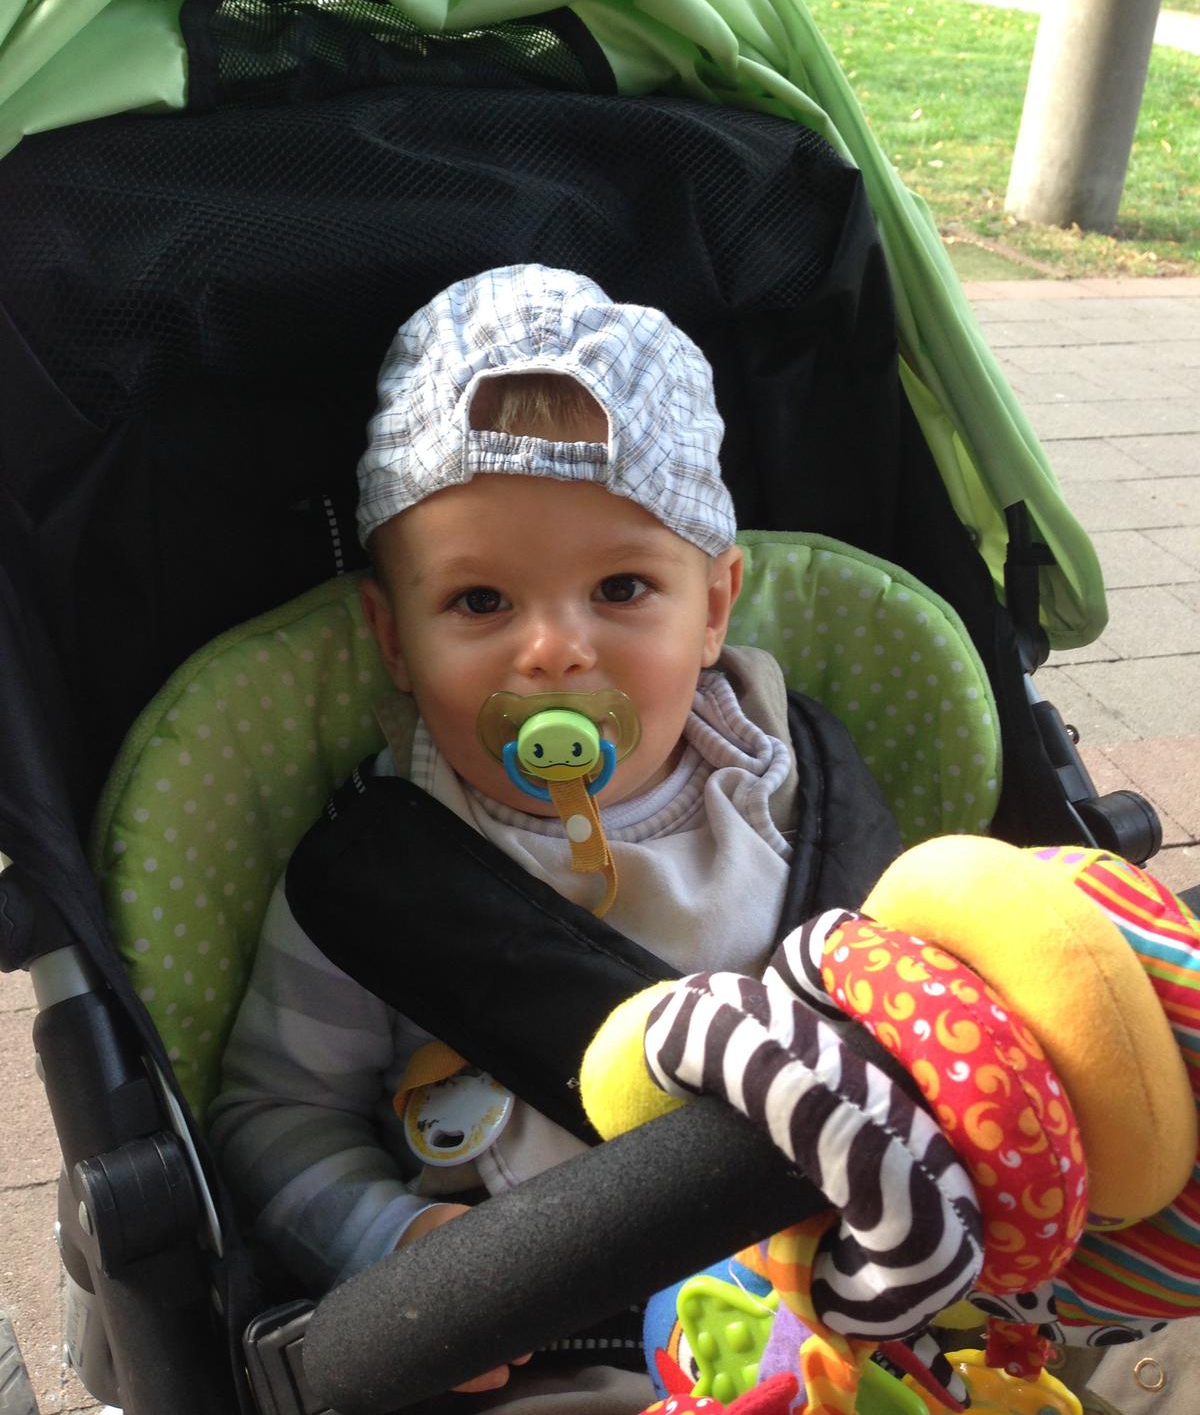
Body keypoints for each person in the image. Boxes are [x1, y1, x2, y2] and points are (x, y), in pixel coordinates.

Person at [209, 265, 897, 1411]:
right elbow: (273, 1112)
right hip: (550, 1350)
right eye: (481, 602)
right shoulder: (379, 873)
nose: (554, 649)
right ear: (392, 636)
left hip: (837, 1308)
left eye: (621, 586)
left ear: (714, 605)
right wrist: (398, 1247)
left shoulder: (796, 797)